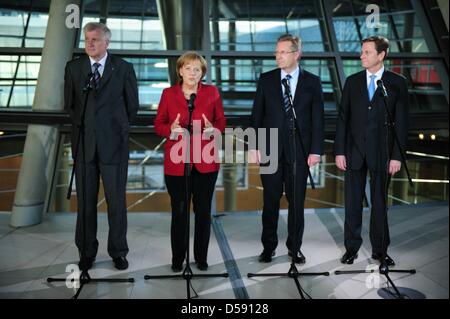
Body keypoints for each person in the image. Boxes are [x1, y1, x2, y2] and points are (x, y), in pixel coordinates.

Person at [64, 22, 139, 271]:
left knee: (116, 202)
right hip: (84, 146)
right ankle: (86, 252)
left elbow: (132, 107)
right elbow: (70, 106)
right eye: (87, 39)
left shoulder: (124, 68)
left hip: (114, 146)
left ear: (107, 42)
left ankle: (118, 251)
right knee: (85, 203)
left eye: (95, 39)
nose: (89, 43)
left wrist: (115, 129)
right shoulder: (74, 68)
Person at [335, 36, 409, 266]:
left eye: (367, 52)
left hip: (382, 154)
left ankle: (380, 250)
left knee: (379, 204)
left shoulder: (397, 83)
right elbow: (342, 119)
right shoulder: (352, 81)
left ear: (381, 55)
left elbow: (402, 123)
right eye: (362, 52)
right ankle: (351, 249)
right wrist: (339, 151)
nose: (361, 56)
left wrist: (396, 156)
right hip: (353, 152)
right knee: (353, 204)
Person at [250, 34, 324, 263]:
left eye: (283, 52)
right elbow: (257, 116)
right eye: (276, 52)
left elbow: (318, 119)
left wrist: (315, 150)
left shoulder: (312, 82)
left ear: (296, 54)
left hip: (299, 151)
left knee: (296, 202)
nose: (278, 56)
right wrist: (254, 146)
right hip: (270, 149)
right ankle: (268, 247)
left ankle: (295, 247)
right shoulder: (266, 79)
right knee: (270, 201)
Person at [154, 51, 226, 272]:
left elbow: (221, 121)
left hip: (206, 163)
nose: (192, 73)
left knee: (203, 213)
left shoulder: (212, 93)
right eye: (188, 68)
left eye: (197, 69)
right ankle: (178, 259)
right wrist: (171, 130)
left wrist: (214, 129)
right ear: (180, 71)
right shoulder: (168, 94)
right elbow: (159, 124)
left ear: (202, 72)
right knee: (180, 212)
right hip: (177, 165)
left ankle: (201, 258)